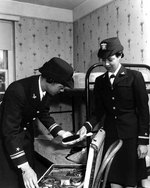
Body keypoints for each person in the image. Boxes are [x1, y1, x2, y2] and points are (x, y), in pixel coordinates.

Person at [77, 37, 150, 188]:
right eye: (103, 60)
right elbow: (98, 112)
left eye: (110, 59)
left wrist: (143, 141)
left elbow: (144, 111)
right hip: (111, 136)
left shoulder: (134, 77)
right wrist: (87, 126)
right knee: (114, 178)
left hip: (131, 137)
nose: (106, 64)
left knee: (130, 181)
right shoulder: (100, 81)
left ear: (120, 55)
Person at [0, 57, 74, 188]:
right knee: (10, 181)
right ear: (50, 80)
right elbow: (10, 132)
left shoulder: (45, 90)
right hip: (6, 140)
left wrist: (61, 132)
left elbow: (43, 113)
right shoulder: (17, 90)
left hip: (25, 136)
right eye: (61, 87)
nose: (62, 91)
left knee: (29, 181)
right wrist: (25, 168)